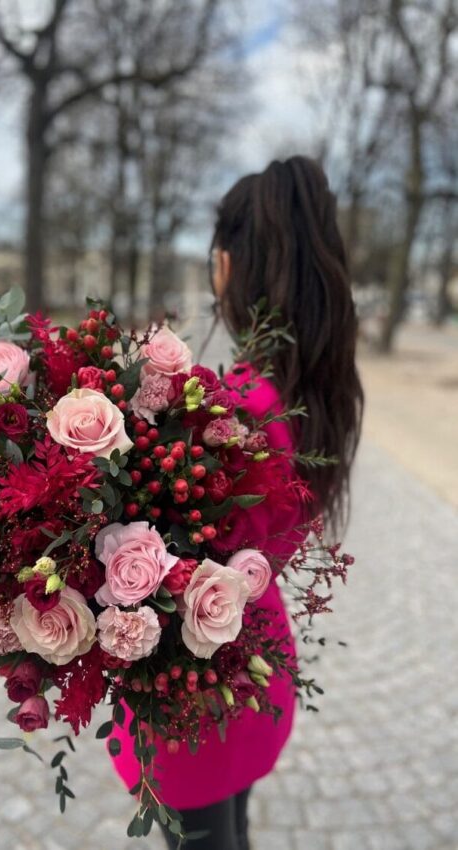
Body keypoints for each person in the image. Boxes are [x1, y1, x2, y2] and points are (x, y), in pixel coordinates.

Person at [109, 156, 364, 849]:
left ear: (228, 266)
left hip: (195, 695)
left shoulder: (236, 415)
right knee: (231, 832)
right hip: (254, 665)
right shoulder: (313, 395)